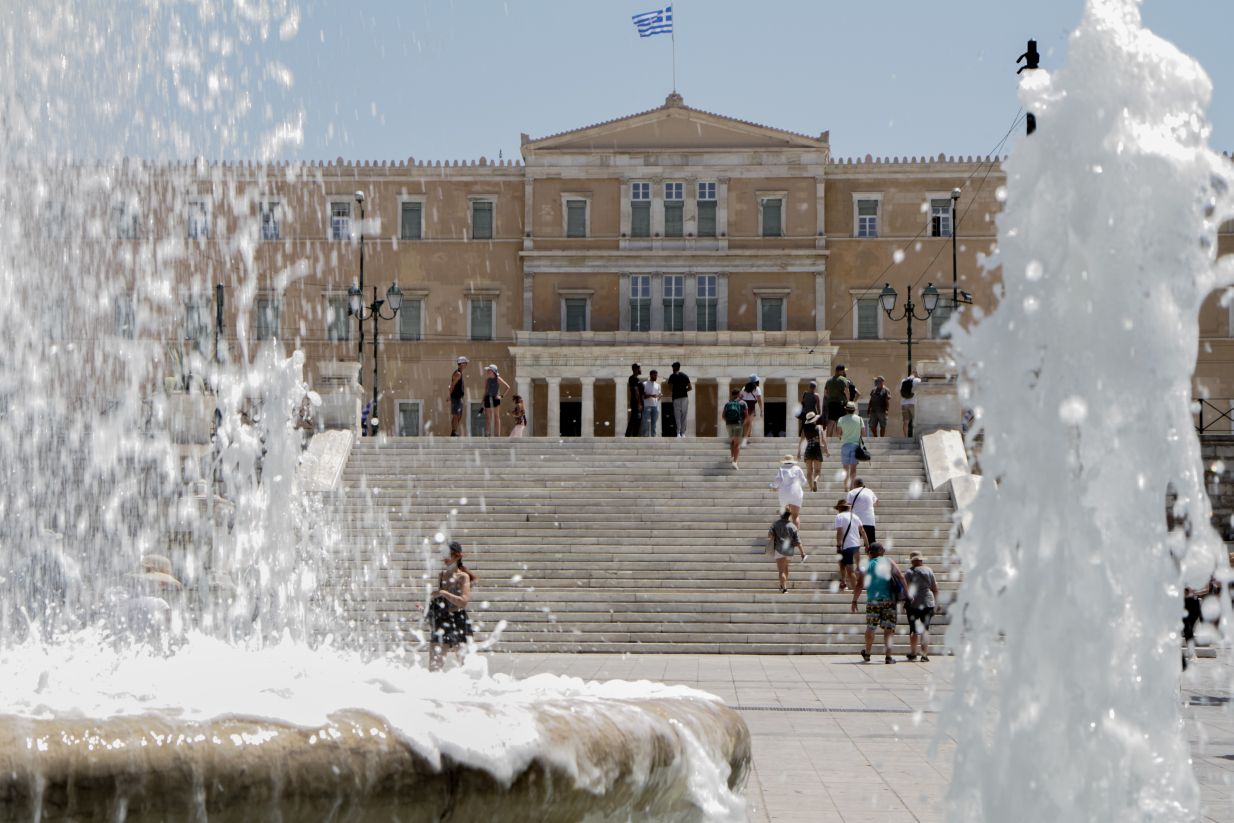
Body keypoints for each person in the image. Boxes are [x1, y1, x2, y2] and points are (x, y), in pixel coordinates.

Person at [851, 542, 908, 664]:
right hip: (889, 600)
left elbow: (859, 584)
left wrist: (855, 600)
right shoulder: (889, 561)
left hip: (873, 601)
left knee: (871, 627)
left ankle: (867, 653)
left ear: (870, 553)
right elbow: (901, 577)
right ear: (880, 551)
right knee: (888, 629)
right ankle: (888, 657)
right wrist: (907, 594)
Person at [427, 541, 476, 671]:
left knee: (465, 667)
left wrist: (444, 593)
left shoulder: (463, 576)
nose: (444, 558)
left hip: (459, 620)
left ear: (457, 556)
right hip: (441, 620)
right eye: (443, 554)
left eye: (447, 554)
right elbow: (441, 599)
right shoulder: (442, 575)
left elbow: (463, 601)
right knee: (434, 668)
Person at [904, 551, 939, 662]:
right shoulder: (929, 570)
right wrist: (937, 603)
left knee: (913, 630)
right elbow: (935, 588)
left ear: (912, 561)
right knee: (925, 629)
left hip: (914, 604)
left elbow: (907, 590)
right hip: (928, 602)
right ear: (921, 560)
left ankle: (913, 653)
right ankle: (924, 655)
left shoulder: (909, 572)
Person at [767, 509, 808, 594]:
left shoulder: (775, 524)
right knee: (786, 568)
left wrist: (775, 535)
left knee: (781, 571)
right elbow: (798, 541)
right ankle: (783, 584)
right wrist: (802, 553)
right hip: (789, 551)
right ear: (789, 515)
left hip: (779, 550)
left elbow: (769, 535)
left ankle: (784, 588)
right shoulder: (792, 526)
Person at [834, 499, 868, 591]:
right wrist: (867, 545)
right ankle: (847, 583)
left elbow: (839, 532)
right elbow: (863, 531)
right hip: (856, 545)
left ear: (840, 508)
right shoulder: (855, 516)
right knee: (856, 566)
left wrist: (838, 545)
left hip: (846, 546)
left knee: (850, 570)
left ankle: (856, 589)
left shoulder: (839, 516)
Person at [769, 455, 808, 528]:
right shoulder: (797, 468)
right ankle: (795, 536)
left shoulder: (781, 469)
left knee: (784, 516)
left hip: (784, 494)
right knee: (795, 516)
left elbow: (778, 481)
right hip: (796, 493)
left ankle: (784, 535)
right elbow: (803, 481)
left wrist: (772, 486)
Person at [837, 401, 865, 491]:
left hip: (845, 445)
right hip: (855, 445)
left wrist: (843, 435)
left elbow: (838, 433)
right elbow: (863, 433)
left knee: (845, 469)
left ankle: (846, 486)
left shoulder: (841, 419)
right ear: (854, 410)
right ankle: (852, 486)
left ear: (846, 410)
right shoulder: (860, 419)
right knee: (853, 469)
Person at [823, 365, 854, 438]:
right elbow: (847, 391)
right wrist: (848, 401)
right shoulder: (843, 379)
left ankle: (828, 437)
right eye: (843, 371)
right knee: (841, 421)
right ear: (840, 371)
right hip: (841, 403)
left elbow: (826, 393)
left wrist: (830, 398)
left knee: (831, 421)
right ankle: (840, 437)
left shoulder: (829, 380)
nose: (844, 372)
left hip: (831, 403)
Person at [801, 411, 829, 491]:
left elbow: (802, 440)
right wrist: (826, 451)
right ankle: (815, 480)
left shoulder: (804, 429)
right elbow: (823, 440)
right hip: (817, 449)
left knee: (809, 471)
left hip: (808, 449)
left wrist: (799, 452)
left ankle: (811, 487)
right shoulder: (819, 427)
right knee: (818, 471)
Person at [846, 478, 879, 545]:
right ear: (863, 484)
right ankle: (873, 554)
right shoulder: (869, 491)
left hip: (856, 521)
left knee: (853, 542)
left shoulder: (851, 492)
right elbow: (877, 502)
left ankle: (854, 554)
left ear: (854, 484)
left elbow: (848, 506)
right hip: (869, 521)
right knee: (871, 543)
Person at [483, 365, 511, 437]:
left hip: (495, 398)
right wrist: (482, 402)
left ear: (493, 371)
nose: (487, 371)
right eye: (487, 370)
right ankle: (487, 434)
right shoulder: (487, 380)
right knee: (488, 418)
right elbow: (485, 391)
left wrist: (501, 396)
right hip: (487, 398)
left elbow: (507, 387)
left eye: (489, 370)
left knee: (496, 416)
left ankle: (497, 435)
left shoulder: (498, 378)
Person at [722, 388, 748, 467]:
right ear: (738, 394)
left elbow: (723, 416)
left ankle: (732, 456)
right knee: (737, 443)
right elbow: (746, 415)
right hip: (738, 424)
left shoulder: (727, 403)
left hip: (729, 424)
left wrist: (728, 421)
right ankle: (735, 462)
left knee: (732, 441)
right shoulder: (743, 403)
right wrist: (743, 423)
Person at [666, 361, 692, 438]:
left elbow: (670, 388)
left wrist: (676, 391)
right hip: (684, 397)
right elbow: (690, 387)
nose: (672, 369)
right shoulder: (685, 376)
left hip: (676, 398)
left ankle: (678, 433)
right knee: (684, 415)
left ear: (674, 368)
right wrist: (684, 391)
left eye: (673, 368)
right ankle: (683, 433)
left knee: (677, 415)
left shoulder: (672, 376)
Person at [798, 380, 822, 456]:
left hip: (806, 415)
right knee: (814, 431)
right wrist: (819, 416)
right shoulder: (816, 395)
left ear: (809, 387)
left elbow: (802, 404)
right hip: (813, 415)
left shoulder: (805, 394)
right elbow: (818, 407)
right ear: (815, 388)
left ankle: (800, 451)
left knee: (804, 432)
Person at [739, 375, 763, 445]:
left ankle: (743, 437)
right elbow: (759, 400)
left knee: (745, 422)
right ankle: (746, 438)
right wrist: (761, 409)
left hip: (743, 405)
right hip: (751, 405)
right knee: (749, 423)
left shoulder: (744, 388)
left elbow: (740, 397)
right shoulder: (757, 389)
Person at [449, 356, 469, 437]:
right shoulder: (458, 374)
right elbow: (452, 385)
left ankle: (454, 431)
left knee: (459, 415)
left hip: (459, 397)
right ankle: (453, 432)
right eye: (465, 363)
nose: (466, 365)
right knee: (456, 415)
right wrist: (449, 395)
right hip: (456, 397)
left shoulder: (460, 373)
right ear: (461, 364)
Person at [640, 369, 663, 437]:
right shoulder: (644, 384)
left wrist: (660, 396)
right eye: (655, 375)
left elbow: (658, 394)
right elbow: (643, 396)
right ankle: (645, 437)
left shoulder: (658, 385)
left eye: (656, 375)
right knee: (645, 423)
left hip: (655, 406)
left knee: (654, 424)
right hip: (647, 406)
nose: (656, 376)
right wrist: (651, 395)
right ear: (651, 375)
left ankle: (654, 437)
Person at [901, 370, 923, 437]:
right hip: (913, 403)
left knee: (905, 422)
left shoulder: (903, 380)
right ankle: (915, 436)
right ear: (917, 374)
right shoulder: (917, 380)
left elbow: (901, 391)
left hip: (904, 404)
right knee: (915, 421)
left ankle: (905, 437)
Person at [625, 363, 644, 437]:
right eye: (639, 368)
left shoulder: (637, 379)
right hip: (636, 403)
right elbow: (636, 391)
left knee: (638, 420)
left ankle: (635, 435)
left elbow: (641, 392)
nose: (640, 370)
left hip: (640, 403)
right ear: (635, 369)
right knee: (634, 419)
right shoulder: (632, 378)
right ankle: (628, 435)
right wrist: (639, 404)